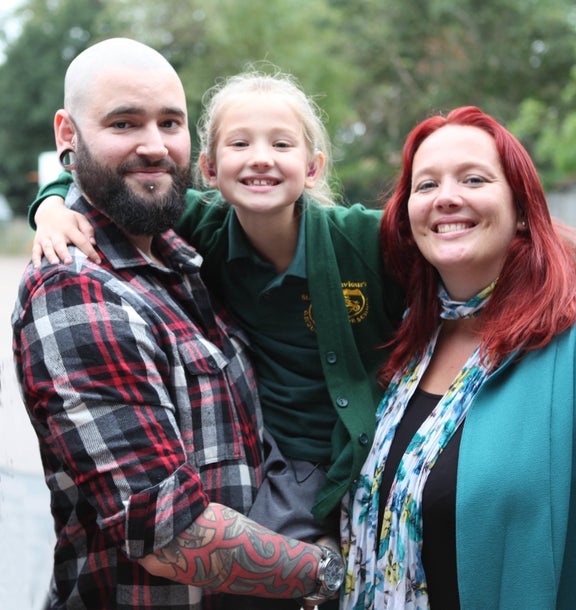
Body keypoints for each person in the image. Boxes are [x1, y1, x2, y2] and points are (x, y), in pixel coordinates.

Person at [30, 69, 576, 542]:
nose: (260, 159)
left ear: (312, 166)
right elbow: (104, 177)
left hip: (366, 457)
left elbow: (468, 245)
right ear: (209, 169)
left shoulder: (363, 238)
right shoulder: (201, 229)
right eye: (240, 145)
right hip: (279, 473)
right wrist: (51, 203)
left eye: (281, 144)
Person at [12, 38, 345, 610]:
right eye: (124, 123)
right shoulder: (79, 288)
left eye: (170, 122)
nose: (154, 146)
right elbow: (169, 535)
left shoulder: (180, 252)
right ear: (68, 135)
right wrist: (335, 572)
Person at [340, 106, 576, 609]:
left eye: (473, 178)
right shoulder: (407, 338)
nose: (447, 197)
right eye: (426, 186)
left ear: (521, 208)